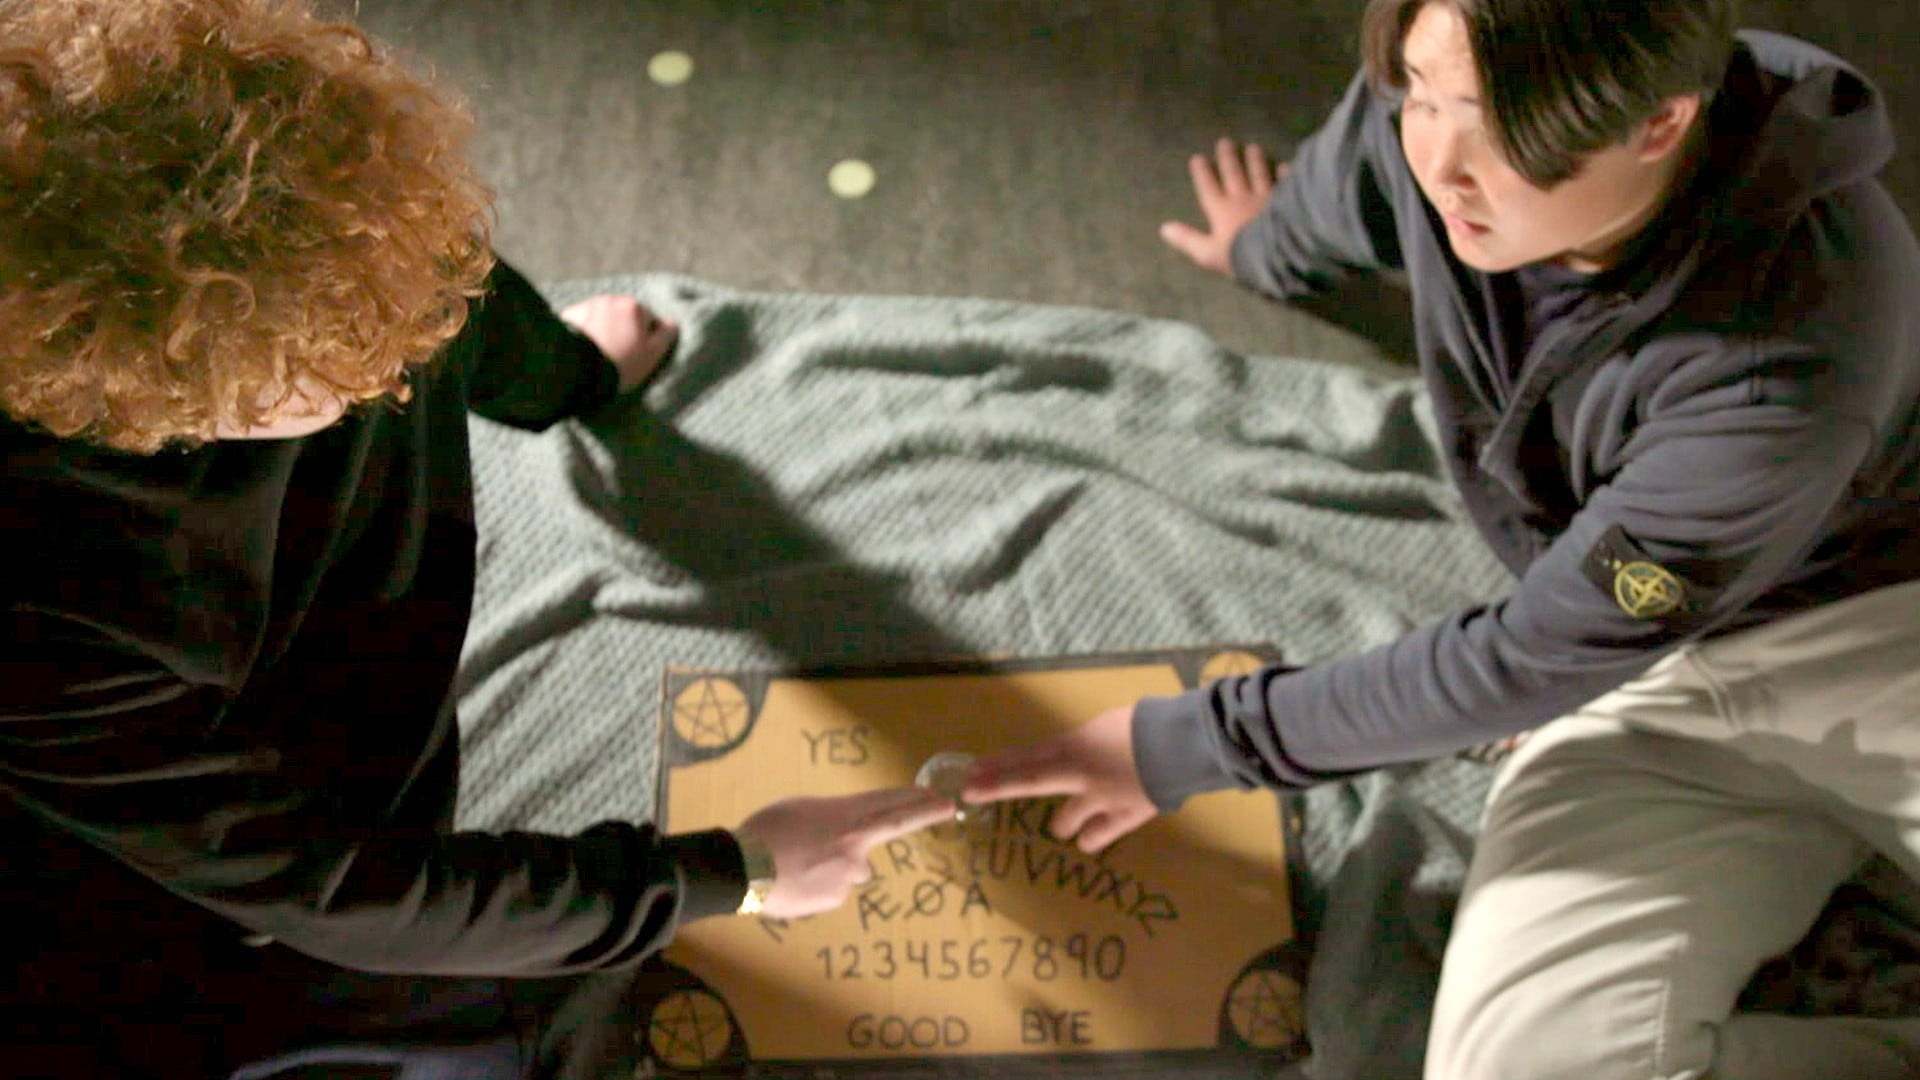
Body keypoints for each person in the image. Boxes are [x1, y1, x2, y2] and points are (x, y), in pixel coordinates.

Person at [965, 0, 1920, 1076]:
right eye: (1424, 95)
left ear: (1660, 124)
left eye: (1501, 130)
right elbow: (1353, 185)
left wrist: (1188, 745)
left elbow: (1525, 659)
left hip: (1879, 634)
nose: (1441, 164)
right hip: (1646, 680)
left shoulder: (1785, 366)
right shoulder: (1422, 132)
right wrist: (1265, 252)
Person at [0, 1, 952, 1076]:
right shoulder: (39, 604)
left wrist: (572, 377)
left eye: (408, 296)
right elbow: (340, 890)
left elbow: (452, 299)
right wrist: (734, 872)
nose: (394, 361)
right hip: (172, 896)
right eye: (322, 370)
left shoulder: (360, 258)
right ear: (135, 375)